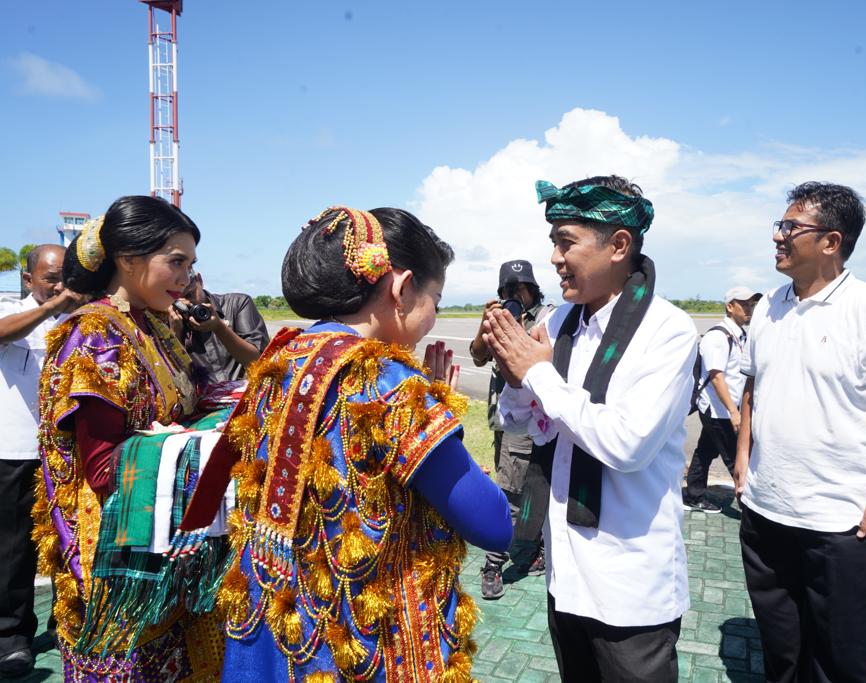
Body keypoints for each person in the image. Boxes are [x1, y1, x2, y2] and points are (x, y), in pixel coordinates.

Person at [205, 206, 512, 681]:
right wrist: (434, 408)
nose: (432, 315)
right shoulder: (390, 384)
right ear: (402, 287)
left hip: (276, 628)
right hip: (364, 642)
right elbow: (493, 524)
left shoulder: (281, 358)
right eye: (435, 298)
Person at [487, 176, 698, 682]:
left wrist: (538, 371)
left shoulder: (667, 330)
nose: (556, 259)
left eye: (567, 242)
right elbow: (519, 421)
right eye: (553, 244)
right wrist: (515, 372)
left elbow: (625, 443)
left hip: (630, 579)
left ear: (619, 245)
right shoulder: (562, 322)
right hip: (567, 570)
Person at [734, 182, 866, 682]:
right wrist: (742, 455)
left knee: (842, 657)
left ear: (830, 241)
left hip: (840, 521)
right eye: (780, 225)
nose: (778, 236)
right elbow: (753, 386)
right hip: (765, 510)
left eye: (790, 227)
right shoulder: (770, 307)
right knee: (782, 646)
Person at [32, 196, 226, 681]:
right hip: (118, 561)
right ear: (128, 259)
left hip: (164, 547)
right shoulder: (97, 338)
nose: (185, 278)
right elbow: (100, 470)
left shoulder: (153, 328)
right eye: (175, 262)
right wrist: (189, 440)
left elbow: (183, 411)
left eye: (190, 264)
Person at [0, 244, 86, 677]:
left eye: (67, 277)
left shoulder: (83, 319)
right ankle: (12, 640)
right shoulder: (11, 310)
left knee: (70, 543)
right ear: (29, 280)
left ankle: (65, 626)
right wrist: (54, 308)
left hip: (69, 453)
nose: (61, 286)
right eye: (51, 278)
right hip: (16, 451)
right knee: (12, 550)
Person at [468, 260, 554, 599]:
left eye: (522, 288)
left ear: (533, 289)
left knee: (531, 486)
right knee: (511, 487)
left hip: (537, 416)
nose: (516, 295)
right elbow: (477, 356)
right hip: (504, 419)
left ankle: (516, 554)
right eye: (509, 290)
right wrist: (486, 324)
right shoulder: (499, 317)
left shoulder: (548, 318)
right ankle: (504, 558)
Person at [682, 286, 760, 513]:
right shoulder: (718, 336)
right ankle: (750, 510)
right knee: (735, 457)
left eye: (751, 304)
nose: (749, 309)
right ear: (730, 306)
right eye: (744, 304)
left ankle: (693, 495)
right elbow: (717, 378)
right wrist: (734, 412)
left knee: (705, 450)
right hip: (718, 410)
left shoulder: (739, 334)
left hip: (726, 408)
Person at [172, 271, 269, 384]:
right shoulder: (171, 321)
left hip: (245, 394)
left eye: (189, 295)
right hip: (203, 399)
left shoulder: (237, 304)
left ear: (199, 280)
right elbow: (173, 379)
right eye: (179, 303)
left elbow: (259, 361)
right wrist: (175, 335)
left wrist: (219, 327)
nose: (187, 304)